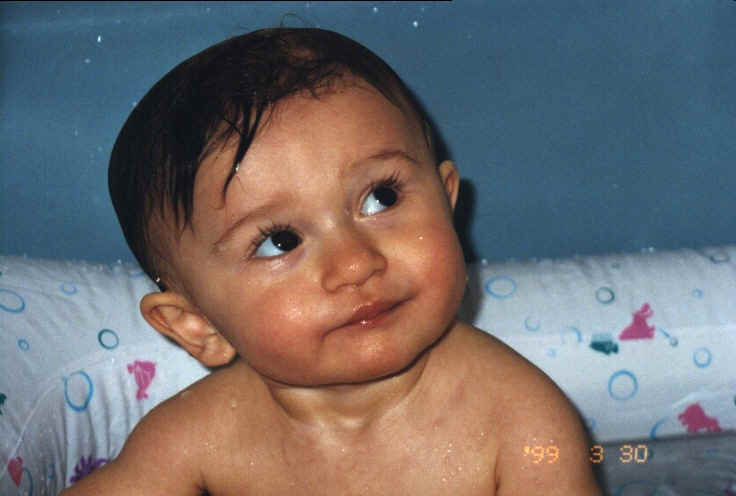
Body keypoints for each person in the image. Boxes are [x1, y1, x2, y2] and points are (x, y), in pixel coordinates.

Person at [62, 27, 601, 495]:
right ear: (197, 324)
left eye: (381, 198)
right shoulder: (198, 437)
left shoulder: (523, 424)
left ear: (447, 200)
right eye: (279, 241)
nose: (355, 264)